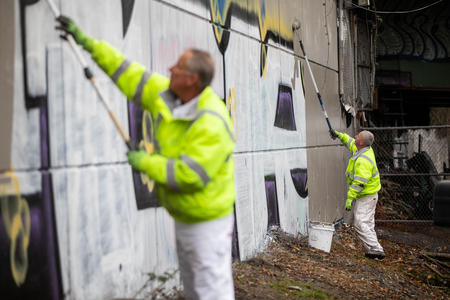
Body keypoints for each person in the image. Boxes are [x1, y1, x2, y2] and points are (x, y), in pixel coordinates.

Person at [56, 16, 236, 299]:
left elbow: (190, 175)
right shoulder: (171, 96)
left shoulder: (210, 121)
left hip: (207, 222)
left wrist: (146, 162)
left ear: (191, 79)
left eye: (177, 67)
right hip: (187, 215)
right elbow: (129, 74)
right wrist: (88, 44)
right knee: (195, 289)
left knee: (211, 291)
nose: (169, 69)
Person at [330, 129, 385, 260]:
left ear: (360, 142)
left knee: (360, 223)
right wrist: (339, 135)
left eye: (357, 136)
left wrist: (350, 197)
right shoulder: (361, 149)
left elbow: (359, 182)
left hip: (366, 196)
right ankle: (373, 251)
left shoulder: (363, 160)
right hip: (369, 196)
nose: (354, 136)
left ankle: (377, 249)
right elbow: (349, 142)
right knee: (368, 224)